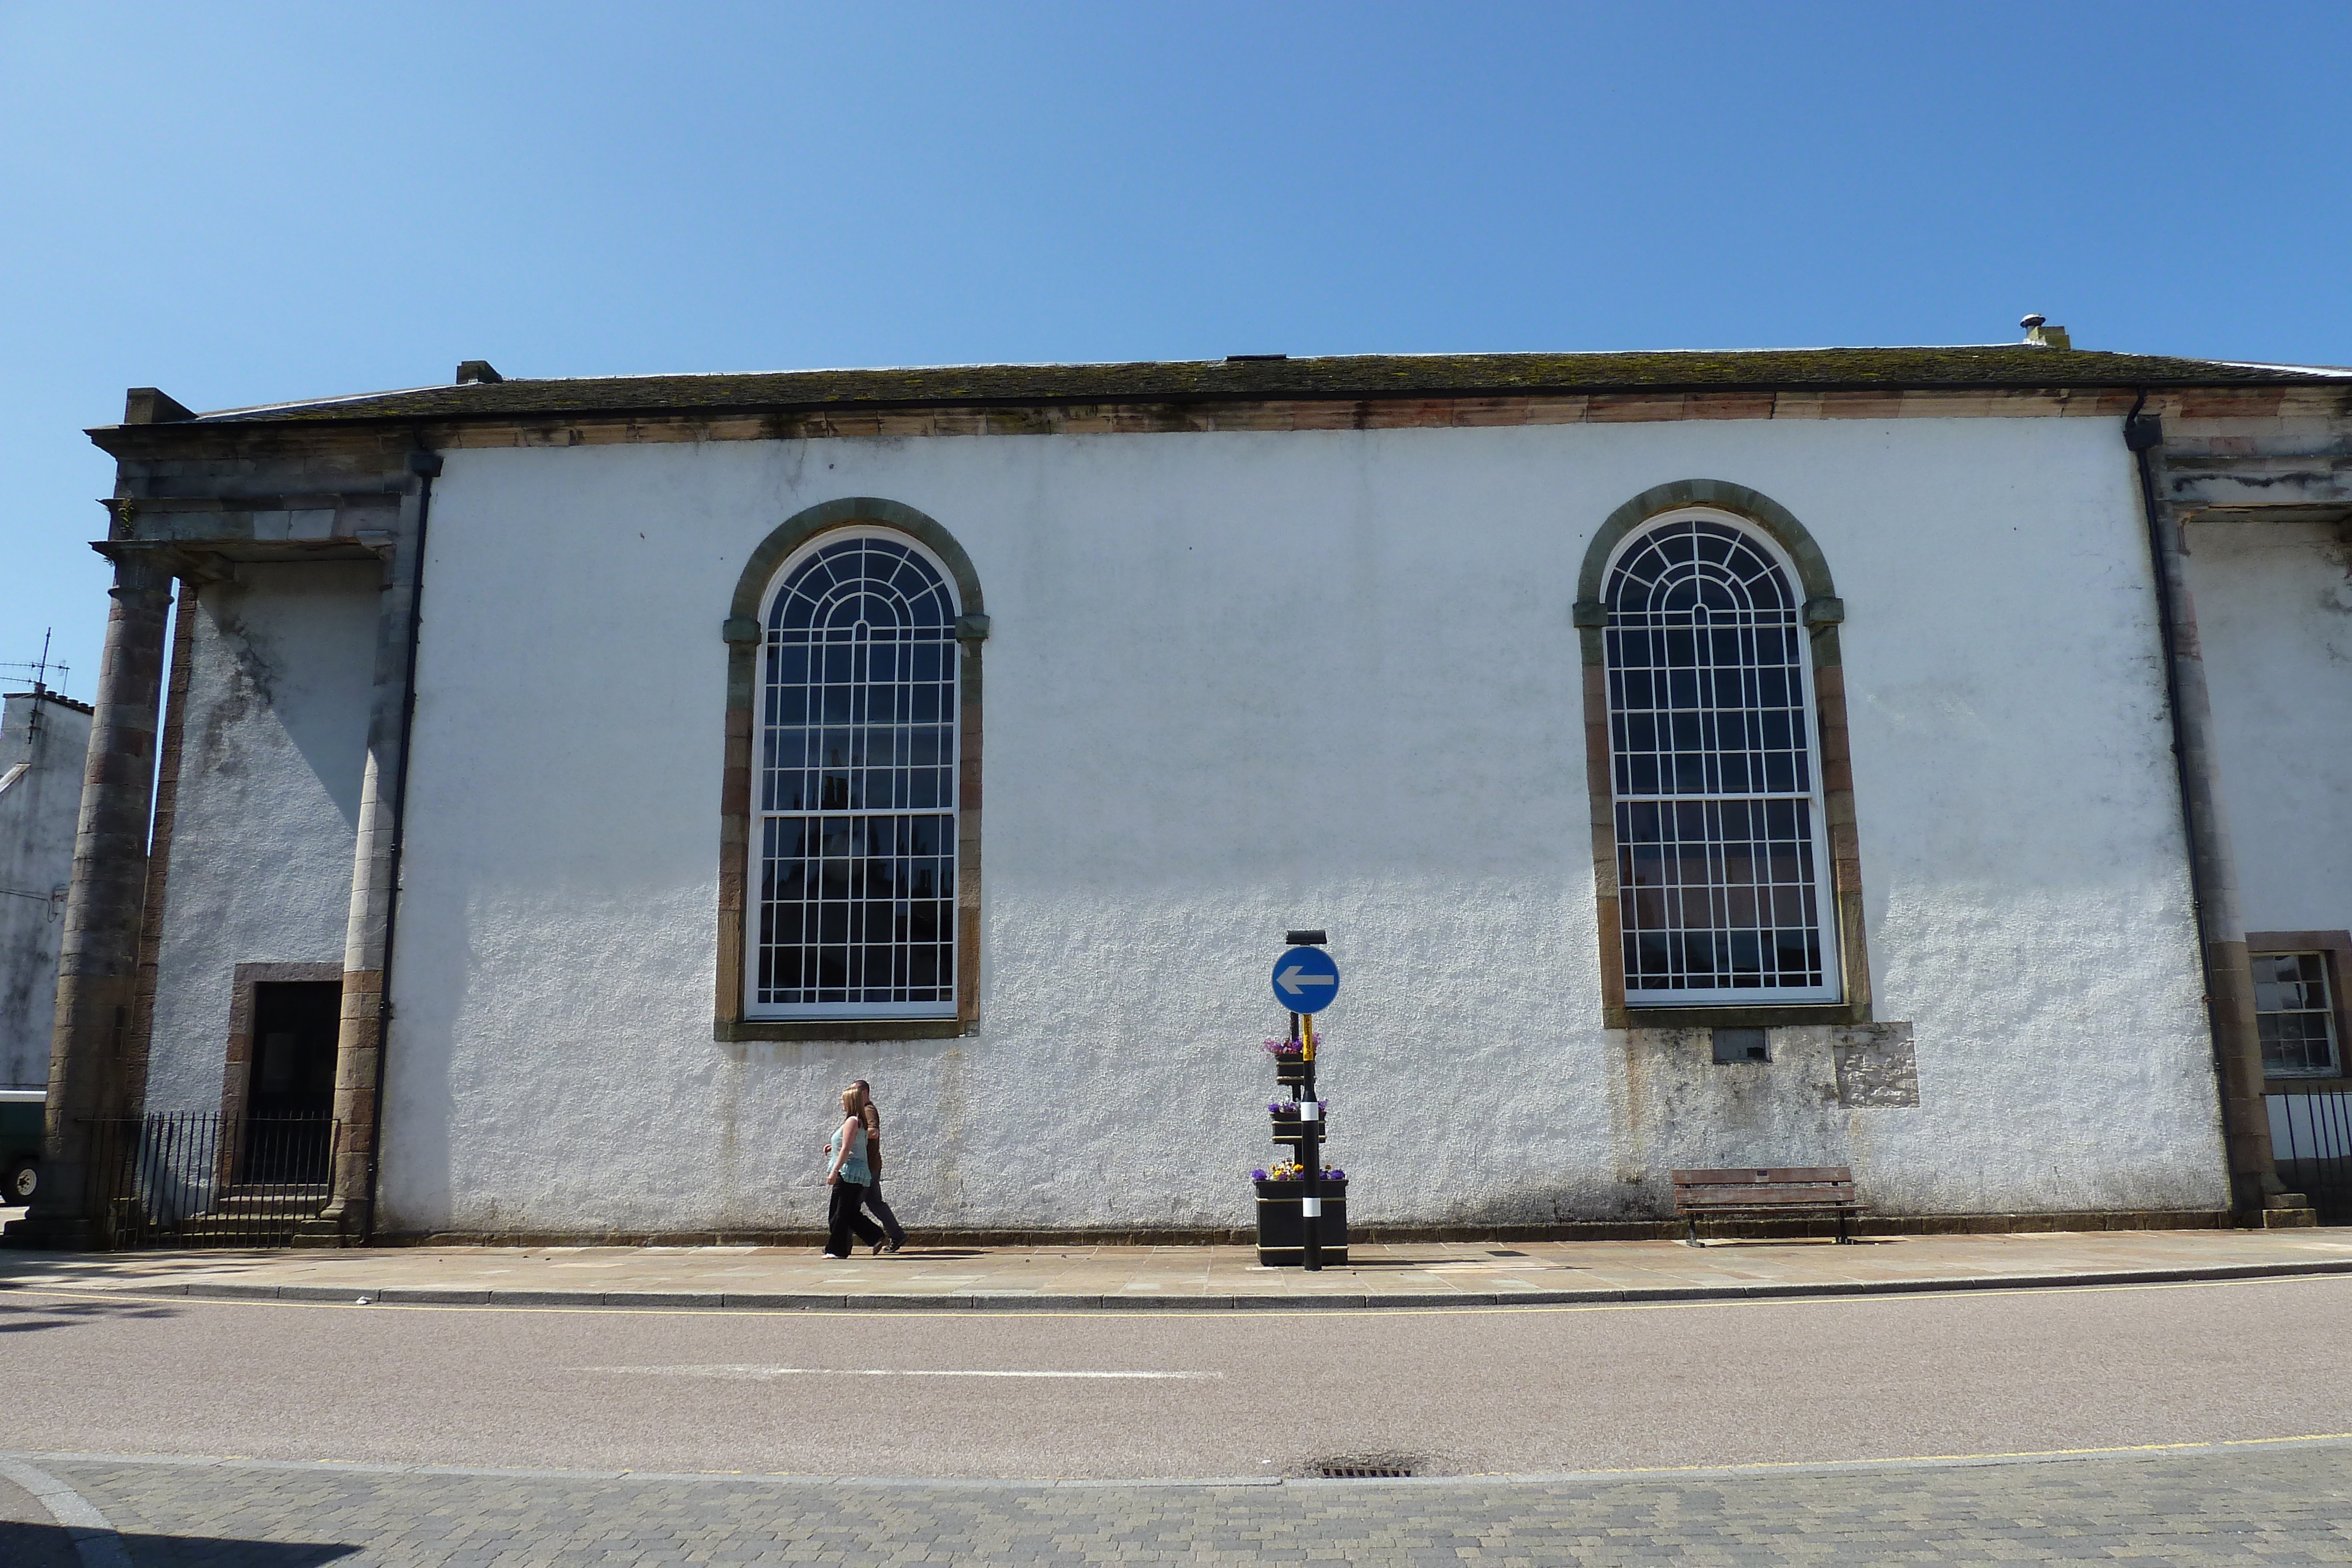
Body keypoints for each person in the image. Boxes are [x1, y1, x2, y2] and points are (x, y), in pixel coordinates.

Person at [821, 1086, 885, 1259]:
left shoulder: (852, 1121)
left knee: (839, 1213)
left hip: (848, 1172)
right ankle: (874, 1235)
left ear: (849, 1102)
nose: (841, 1103)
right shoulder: (859, 1122)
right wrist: (833, 1147)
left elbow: (847, 1148)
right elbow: (852, 1145)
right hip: (856, 1172)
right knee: (848, 1213)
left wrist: (835, 1170)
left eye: (843, 1100)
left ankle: (837, 1250)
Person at [851, 1079, 907, 1253]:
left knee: (849, 1207)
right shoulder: (863, 1110)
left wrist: (851, 1137)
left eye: (854, 1092)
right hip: (870, 1166)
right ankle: (897, 1234)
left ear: (863, 1093)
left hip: (867, 1168)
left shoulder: (868, 1110)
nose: (851, 1095)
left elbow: (874, 1132)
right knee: (875, 1204)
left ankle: (841, 1243)